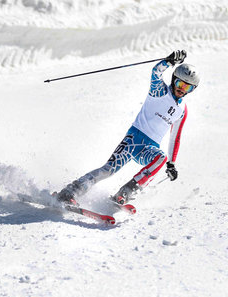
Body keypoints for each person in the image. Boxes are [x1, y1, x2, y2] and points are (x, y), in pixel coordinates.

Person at [56, 50, 200, 205]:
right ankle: (71, 191)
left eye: (188, 88)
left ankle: (125, 192)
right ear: (174, 79)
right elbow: (156, 72)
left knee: (161, 158)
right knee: (108, 170)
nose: (182, 89)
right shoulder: (159, 91)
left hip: (149, 148)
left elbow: (175, 137)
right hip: (133, 140)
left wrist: (171, 163)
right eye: (180, 83)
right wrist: (169, 62)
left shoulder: (182, 111)